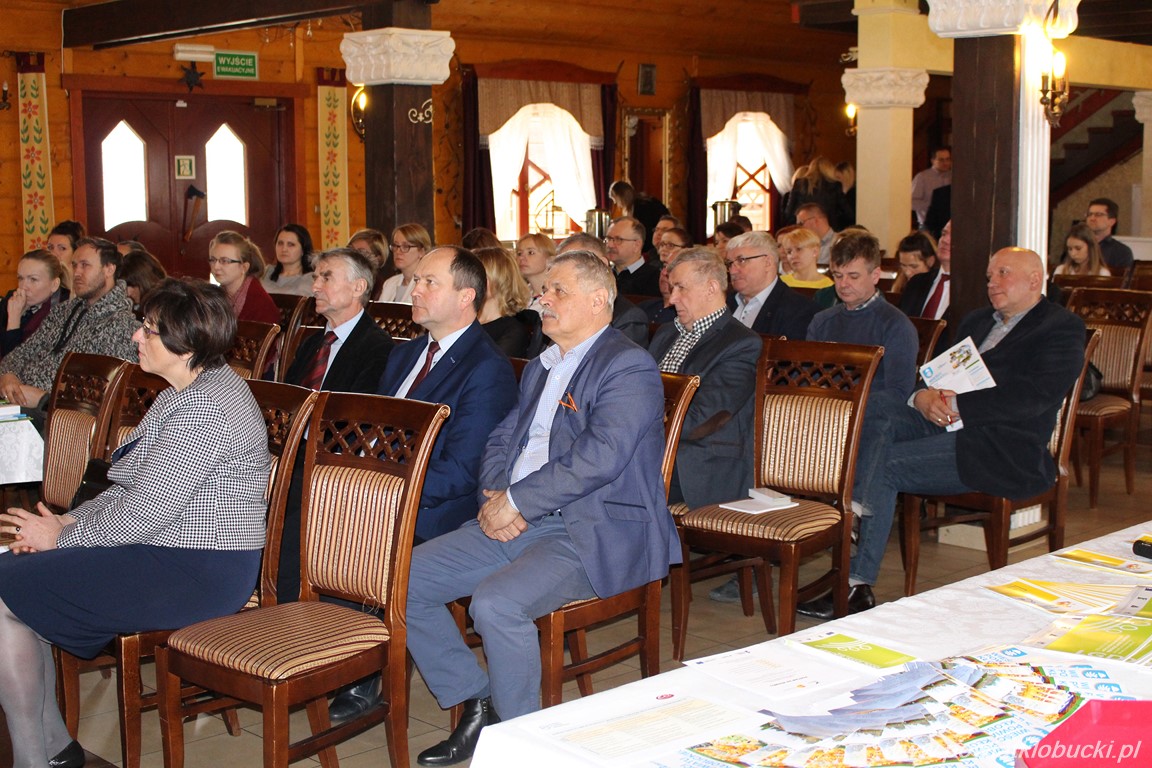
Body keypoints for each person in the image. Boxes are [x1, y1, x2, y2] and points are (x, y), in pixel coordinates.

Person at [405, 251, 677, 765]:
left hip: (589, 529)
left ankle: (520, 747)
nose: (542, 299)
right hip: (519, 516)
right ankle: (478, 701)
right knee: (403, 579)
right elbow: (503, 435)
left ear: (598, 301)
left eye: (557, 291)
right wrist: (494, 494)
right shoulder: (543, 363)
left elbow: (600, 457)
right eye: (543, 289)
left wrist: (517, 501)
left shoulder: (628, 366)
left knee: (495, 605)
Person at [0, 278, 270, 768]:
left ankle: (36, 757)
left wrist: (62, 537)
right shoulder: (187, 389)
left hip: (196, 571)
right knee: (15, 578)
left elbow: (143, 513)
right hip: (163, 549)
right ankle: (54, 749)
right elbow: (128, 491)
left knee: (6, 590)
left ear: (186, 343)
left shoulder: (205, 409)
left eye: (149, 329)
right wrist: (64, 523)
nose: (135, 336)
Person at [799, 248, 1085, 619]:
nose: (991, 283)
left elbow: (1033, 397)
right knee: (875, 407)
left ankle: (854, 582)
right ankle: (856, 508)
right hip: (942, 421)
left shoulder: (1060, 327)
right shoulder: (977, 320)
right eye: (989, 276)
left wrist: (960, 405)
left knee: (882, 465)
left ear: (1034, 280)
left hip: (1000, 444)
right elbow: (934, 372)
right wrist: (920, 397)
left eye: (1003, 273)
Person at [326, 246, 519, 728]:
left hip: (440, 508)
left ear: (466, 296)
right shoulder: (406, 354)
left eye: (430, 282)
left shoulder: (485, 368)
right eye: (417, 281)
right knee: (312, 523)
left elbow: (462, 471)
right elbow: (371, 434)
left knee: (357, 539)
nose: (415, 289)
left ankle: (365, 669)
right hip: (386, 490)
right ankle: (336, 652)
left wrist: (380, 495)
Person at [277, 247, 394, 608]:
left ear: (358, 287)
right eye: (316, 277)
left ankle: (285, 612)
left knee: (288, 513)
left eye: (326, 277)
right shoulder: (313, 342)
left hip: (333, 460)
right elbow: (287, 402)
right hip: (294, 451)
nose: (315, 286)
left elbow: (357, 424)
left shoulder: (377, 348)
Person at [650, 247, 759, 509]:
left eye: (681, 288)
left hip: (695, 465)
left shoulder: (741, 343)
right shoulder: (666, 334)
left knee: (607, 486)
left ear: (711, 288)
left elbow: (702, 419)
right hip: (651, 451)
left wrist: (636, 425)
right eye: (672, 288)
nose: (672, 298)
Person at [0, 237, 138, 408]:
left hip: (54, 416)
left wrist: (45, 400)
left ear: (109, 269)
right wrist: (8, 376)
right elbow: (18, 355)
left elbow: (103, 399)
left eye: (85, 265)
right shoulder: (62, 312)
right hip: (20, 403)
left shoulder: (121, 326)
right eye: (74, 265)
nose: (77, 273)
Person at [807, 229, 917, 401]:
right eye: (838, 275)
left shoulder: (895, 325)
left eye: (853, 276)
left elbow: (899, 392)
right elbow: (807, 379)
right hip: (825, 409)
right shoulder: (822, 321)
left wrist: (846, 408)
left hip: (872, 411)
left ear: (875, 275)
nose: (843, 284)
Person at [558, 233, 649, 345]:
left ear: (602, 264)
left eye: (574, 264)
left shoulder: (627, 318)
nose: (562, 271)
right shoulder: (554, 307)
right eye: (560, 264)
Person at [727, 230, 818, 340]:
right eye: (730, 263)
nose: (732, 271)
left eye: (741, 261)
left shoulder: (800, 311)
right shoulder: (723, 303)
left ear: (768, 262)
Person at [1, 249, 71, 358]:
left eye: (33, 279)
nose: (24, 286)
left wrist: (14, 319)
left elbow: (15, 361)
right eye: (20, 278)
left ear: (54, 284)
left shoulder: (64, 310)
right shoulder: (11, 301)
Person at [474, 246, 540, 358]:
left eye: (478, 276)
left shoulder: (513, 330)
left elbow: (492, 365)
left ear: (501, 280)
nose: (469, 282)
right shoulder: (464, 321)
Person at [207, 230, 281, 326]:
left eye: (225, 261)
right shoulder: (218, 295)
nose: (216, 266)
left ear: (244, 267)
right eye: (213, 260)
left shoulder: (260, 305)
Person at [900, 221, 951, 321]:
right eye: (944, 234)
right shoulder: (916, 282)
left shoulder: (973, 290)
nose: (945, 240)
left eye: (953, 236)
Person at [642, 227, 693, 324]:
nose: (664, 273)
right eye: (661, 245)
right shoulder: (644, 307)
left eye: (670, 245)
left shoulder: (685, 313)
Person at [609, 180, 669, 254]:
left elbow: (644, 234)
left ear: (621, 196)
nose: (615, 203)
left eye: (615, 199)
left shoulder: (642, 207)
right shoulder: (639, 203)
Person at [607, 216, 661, 297]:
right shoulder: (604, 274)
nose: (610, 245)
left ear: (637, 245)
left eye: (618, 239)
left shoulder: (655, 278)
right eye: (609, 239)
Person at [376, 223, 432, 303]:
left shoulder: (427, 284)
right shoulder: (389, 283)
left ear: (421, 251)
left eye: (405, 246)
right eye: (396, 246)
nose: (398, 251)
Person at [261, 223, 315, 297]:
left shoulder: (311, 278)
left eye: (291, 244)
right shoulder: (266, 272)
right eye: (280, 243)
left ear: (303, 250)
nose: (284, 249)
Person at [1084, 198, 1132, 275]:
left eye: (1098, 215)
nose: (1092, 218)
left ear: (1112, 221)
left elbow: (1123, 280)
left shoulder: (1121, 251)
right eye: (1089, 214)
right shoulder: (1076, 246)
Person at [348, 227, 397, 295]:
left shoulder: (380, 288)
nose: (353, 255)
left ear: (378, 258)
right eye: (350, 249)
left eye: (361, 252)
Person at [911, 147, 952, 228]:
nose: (945, 163)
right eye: (941, 160)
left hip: (949, 224)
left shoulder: (953, 176)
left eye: (948, 159)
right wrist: (931, 206)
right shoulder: (922, 177)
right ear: (933, 161)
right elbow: (911, 201)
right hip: (928, 224)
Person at [515, 233, 556, 313]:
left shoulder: (556, 297)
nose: (522, 258)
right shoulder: (518, 296)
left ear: (549, 258)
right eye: (519, 253)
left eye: (530, 253)